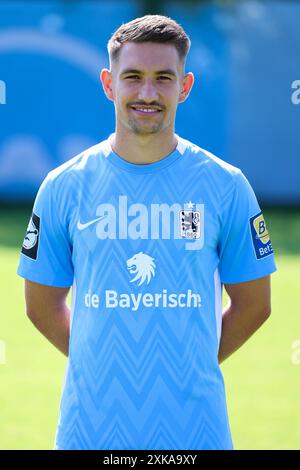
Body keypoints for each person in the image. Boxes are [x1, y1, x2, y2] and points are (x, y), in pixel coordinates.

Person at [17, 14, 276, 450]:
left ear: (186, 86)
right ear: (108, 83)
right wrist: (97, 365)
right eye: (133, 77)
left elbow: (255, 305)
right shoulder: (64, 186)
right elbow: (41, 305)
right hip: (89, 434)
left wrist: (190, 368)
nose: (148, 93)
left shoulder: (226, 185)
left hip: (197, 434)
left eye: (164, 78)